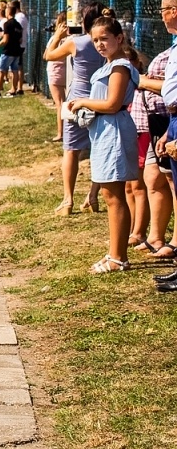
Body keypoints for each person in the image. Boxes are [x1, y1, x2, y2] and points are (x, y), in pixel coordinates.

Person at [66, 14, 140, 273]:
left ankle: (118, 257)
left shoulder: (120, 67)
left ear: (119, 39)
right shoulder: (108, 66)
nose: (99, 44)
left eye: (104, 39)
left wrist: (84, 102)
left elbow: (112, 103)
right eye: (95, 40)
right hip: (104, 133)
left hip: (115, 132)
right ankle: (115, 253)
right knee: (111, 194)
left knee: (114, 195)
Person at [45, 3, 109, 214]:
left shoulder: (76, 43)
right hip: (102, 98)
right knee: (99, 149)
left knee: (71, 150)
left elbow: (49, 55)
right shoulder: (110, 43)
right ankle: (92, 196)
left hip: (76, 100)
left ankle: (68, 200)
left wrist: (57, 35)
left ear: (84, 21)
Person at [140, 0, 177, 263]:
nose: (162, 16)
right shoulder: (174, 46)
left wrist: (142, 81)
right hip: (172, 120)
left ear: (174, 11)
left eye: (163, 10)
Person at [0, 3, 24, 98]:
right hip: (17, 50)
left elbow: (5, 40)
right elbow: (20, 39)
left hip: (8, 51)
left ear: (8, 12)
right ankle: (14, 89)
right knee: (15, 70)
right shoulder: (18, 25)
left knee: (1, 70)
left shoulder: (7, 24)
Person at [46, 11, 70, 141]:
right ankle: (70, 130)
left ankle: (61, 133)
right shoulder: (72, 39)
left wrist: (56, 37)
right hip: (69, 72)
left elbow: (46, 55)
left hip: (55, 72)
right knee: (69, 102)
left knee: (60, 104)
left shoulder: (56, 38)